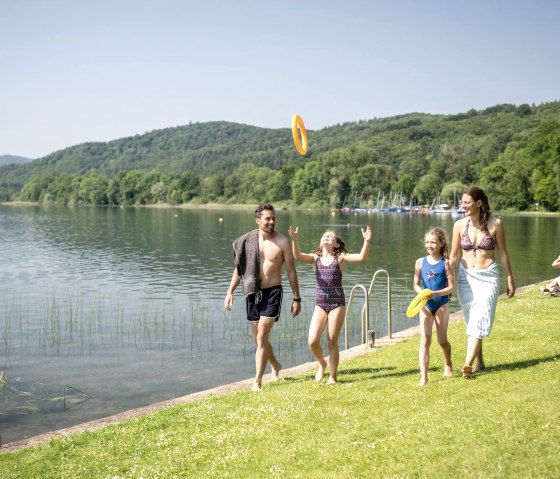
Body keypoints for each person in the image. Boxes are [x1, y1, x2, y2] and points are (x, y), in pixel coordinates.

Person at [224, 204, 301, 392]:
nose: (272, 221)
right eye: (268, 218)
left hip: (273, 292)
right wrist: (230, 291)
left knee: (262, 335)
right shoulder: (247, 241)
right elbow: (240, 269)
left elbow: (291, 271)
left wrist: (296, 298)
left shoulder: (282, 242)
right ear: (258, 220)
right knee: (258, 339)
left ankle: (257, 380)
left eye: (273, 218)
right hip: (252, 292)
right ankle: (275, 364)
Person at [288, 225, 372, 384]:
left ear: (337, 245)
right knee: (312, 341)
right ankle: (322, 363)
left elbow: (361, 257)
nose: (327, 237)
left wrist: (366, 241)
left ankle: (333, 377)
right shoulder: (314, 258)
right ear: (320, 243)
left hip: (337, 303)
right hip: (320, 303)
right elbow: (297, 256)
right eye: (324, 235)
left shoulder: (340, 258)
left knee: (332, 340)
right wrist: (294, 240)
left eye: (331, 236)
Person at [450, 186, 516, 379]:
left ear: (479, 203)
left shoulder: (496, 223)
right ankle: (480, 361)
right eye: (462, 202)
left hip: (488, 277)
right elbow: (454, 256)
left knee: (480, 318)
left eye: (467, 203)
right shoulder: (459, 226)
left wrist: (510, 278)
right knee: (472, 320)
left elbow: (502, 253)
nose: (463, 206)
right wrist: (448, 280)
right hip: (465, 277)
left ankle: (467, 364)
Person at [413, 227, 454, 386]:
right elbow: (415, 284)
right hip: (425, 305)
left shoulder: (447, 263)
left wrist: (435, 293)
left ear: (441, 243)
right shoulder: (419, 262)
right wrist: (421, 293)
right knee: (425, 339)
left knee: (442, 340)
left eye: (433, 242)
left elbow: (451, 287)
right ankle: (424, 377)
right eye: (427, 242)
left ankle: (448, 362)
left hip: (441, 304)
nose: (430, 245)